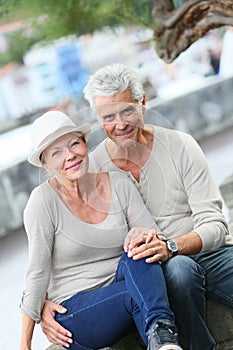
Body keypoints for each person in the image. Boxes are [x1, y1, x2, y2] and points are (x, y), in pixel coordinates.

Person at [41, 64, 233, 350]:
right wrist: (41, 303)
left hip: (206, 252)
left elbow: (215, 226)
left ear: (142, 103)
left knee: (181, 264)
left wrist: (171, 246)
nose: (119, 124)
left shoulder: (181, 146)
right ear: (97, 118)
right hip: (153, 271)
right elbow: (60, 240)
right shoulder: (89, 170)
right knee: (179, 271)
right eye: (108, 116)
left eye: (127, 111)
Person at [20, 110, 183, 350]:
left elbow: (155, 237)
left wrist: (141, 235)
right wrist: (25, 343)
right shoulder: (43, 201)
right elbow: (36, 273)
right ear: (46, 165)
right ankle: (163, 333)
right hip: (75, 309)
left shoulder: (119, 184)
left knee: (140, 245)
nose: (70, 155)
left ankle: (163, 341)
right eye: (57, 152)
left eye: (74, 143)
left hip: (124, 285)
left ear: (85, 145)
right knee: (141, 295)